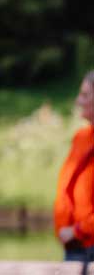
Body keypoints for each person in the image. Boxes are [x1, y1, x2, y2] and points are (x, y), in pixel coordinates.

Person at [55, 70, 94, 262]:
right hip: (74, 247)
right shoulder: (82, 138)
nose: (79, 101)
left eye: (85, 95)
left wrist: (78, 230)